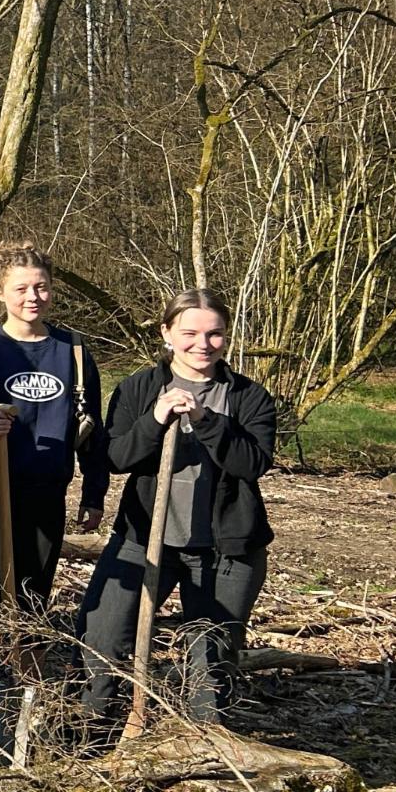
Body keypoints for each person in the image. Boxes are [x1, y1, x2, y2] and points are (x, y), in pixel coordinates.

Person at [76, 290, 277, 727]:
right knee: (101, 639)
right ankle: (89, 739)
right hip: (145, 539)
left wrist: (207, 421)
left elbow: (253, 463)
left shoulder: (248, 397)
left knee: (209, 657)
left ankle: (201, 748)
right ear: (167, 333)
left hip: (226, 549)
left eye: (215, 334)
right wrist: (155, 420)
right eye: (189, 333)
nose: (202, 344)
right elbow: (115, 458)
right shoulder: (139, 388)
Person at [0, 242, 109, 610]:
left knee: (32, 594)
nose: (33, 297)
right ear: (0, 292)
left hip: (45, 491)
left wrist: (94, 493)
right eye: (21, 289)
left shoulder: (72, 351)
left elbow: (91, 428)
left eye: (41, 287)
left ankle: (26, 665)